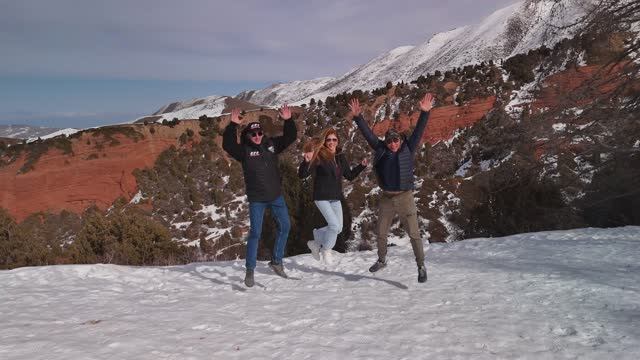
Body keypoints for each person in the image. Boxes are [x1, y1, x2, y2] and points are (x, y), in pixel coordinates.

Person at [348, 93, 435, 283]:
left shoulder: (408, 148)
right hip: (387, 197)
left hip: (405, 197)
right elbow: (368, 134)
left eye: (396, 141)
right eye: (390, 141)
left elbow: (419, 130)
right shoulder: (381, 150)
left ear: (400, 140)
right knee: (380, 232)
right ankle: (382, 260)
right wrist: (357, 117)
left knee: (414, 234)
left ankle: (421, 266)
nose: (393, 144)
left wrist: (425, 112)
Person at [222, 105, 296, 287]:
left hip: (276, 197)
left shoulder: (271, 145)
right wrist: (232, 126)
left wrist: (288, 120)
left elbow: (290, 137)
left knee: (285, 227)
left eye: (259, 133)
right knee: (255, 233)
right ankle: (250, 271)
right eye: (253, 134)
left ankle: (276, 262)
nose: (257, 137)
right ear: (247, 135)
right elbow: (228, 145)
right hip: (257, 200)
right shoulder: (244, 152)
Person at [298, 128, 367, 264]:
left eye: (334, 140)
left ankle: (316, 240)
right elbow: (302, 175)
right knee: (334, 226)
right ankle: (326, 249)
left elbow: (349, 175)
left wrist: (361, 166)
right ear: (324, 141)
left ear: (338, 141)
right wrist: (306, 161)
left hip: (335, 197)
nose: (331, 142)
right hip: (321, 196)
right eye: (328, 140)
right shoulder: (319, 155)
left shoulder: (340, 156)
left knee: (338, 228)